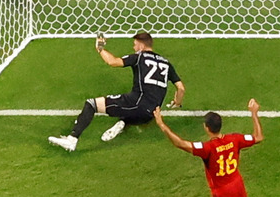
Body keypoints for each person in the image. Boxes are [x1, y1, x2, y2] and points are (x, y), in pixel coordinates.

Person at [48, 32, 185, 152]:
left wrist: (100, 48)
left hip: (136, 103)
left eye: (135, 45)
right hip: (151, 114)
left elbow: (112, 62)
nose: (134, 48)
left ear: (141, 46)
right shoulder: (166, 63)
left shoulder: (139, 57)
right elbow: (181, 88)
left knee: (91, 104)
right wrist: (177, 102)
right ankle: (123, 122)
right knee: (131, 110)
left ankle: (71, 140)